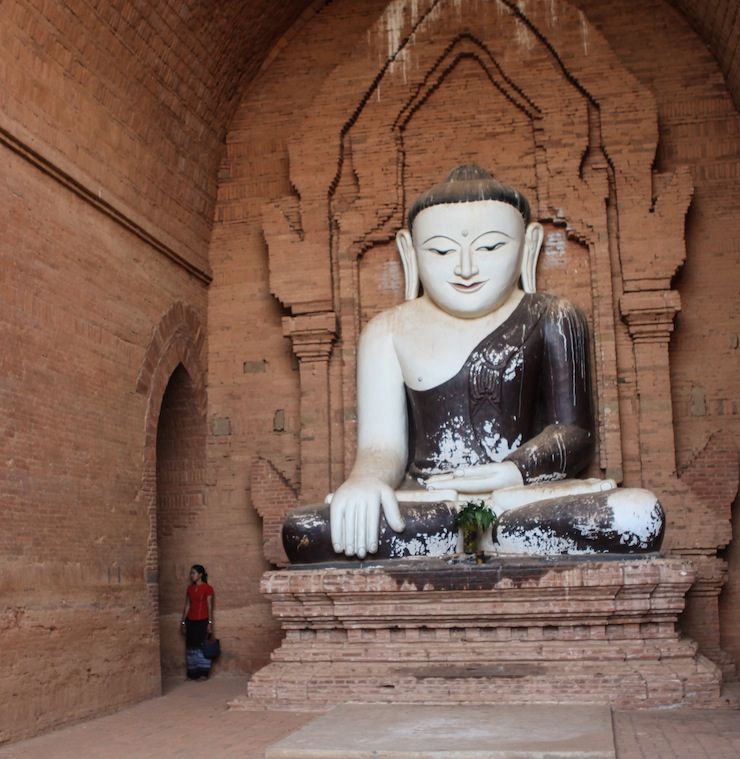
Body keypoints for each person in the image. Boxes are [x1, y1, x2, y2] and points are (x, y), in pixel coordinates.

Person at [282, 165, 664, 562]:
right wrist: (364, 482)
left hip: (518, 499)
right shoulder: (388, 330)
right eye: (442, 251)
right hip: (432, 504)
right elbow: (382, 448)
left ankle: (486, 534)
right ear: (410, 251)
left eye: (490, 247)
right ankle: (489, 538)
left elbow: (574, 433)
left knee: (637, 515)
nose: (465, 267)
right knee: (306, 531)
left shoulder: (553, 315)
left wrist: (514, 471)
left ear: (528, 245)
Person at [180, 564, 214, 680]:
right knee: (190, 647)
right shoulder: (189, 589)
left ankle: (203, 673)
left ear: (200, 575)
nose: (191, 575)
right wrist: (183, 622)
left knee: (201, 646)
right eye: (191, 573)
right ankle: (192, 674)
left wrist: (210, 623)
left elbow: (209, 606)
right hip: (191, 620)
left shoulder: (207, 588)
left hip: (202, 620)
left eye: (193, 573)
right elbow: (187, 605)